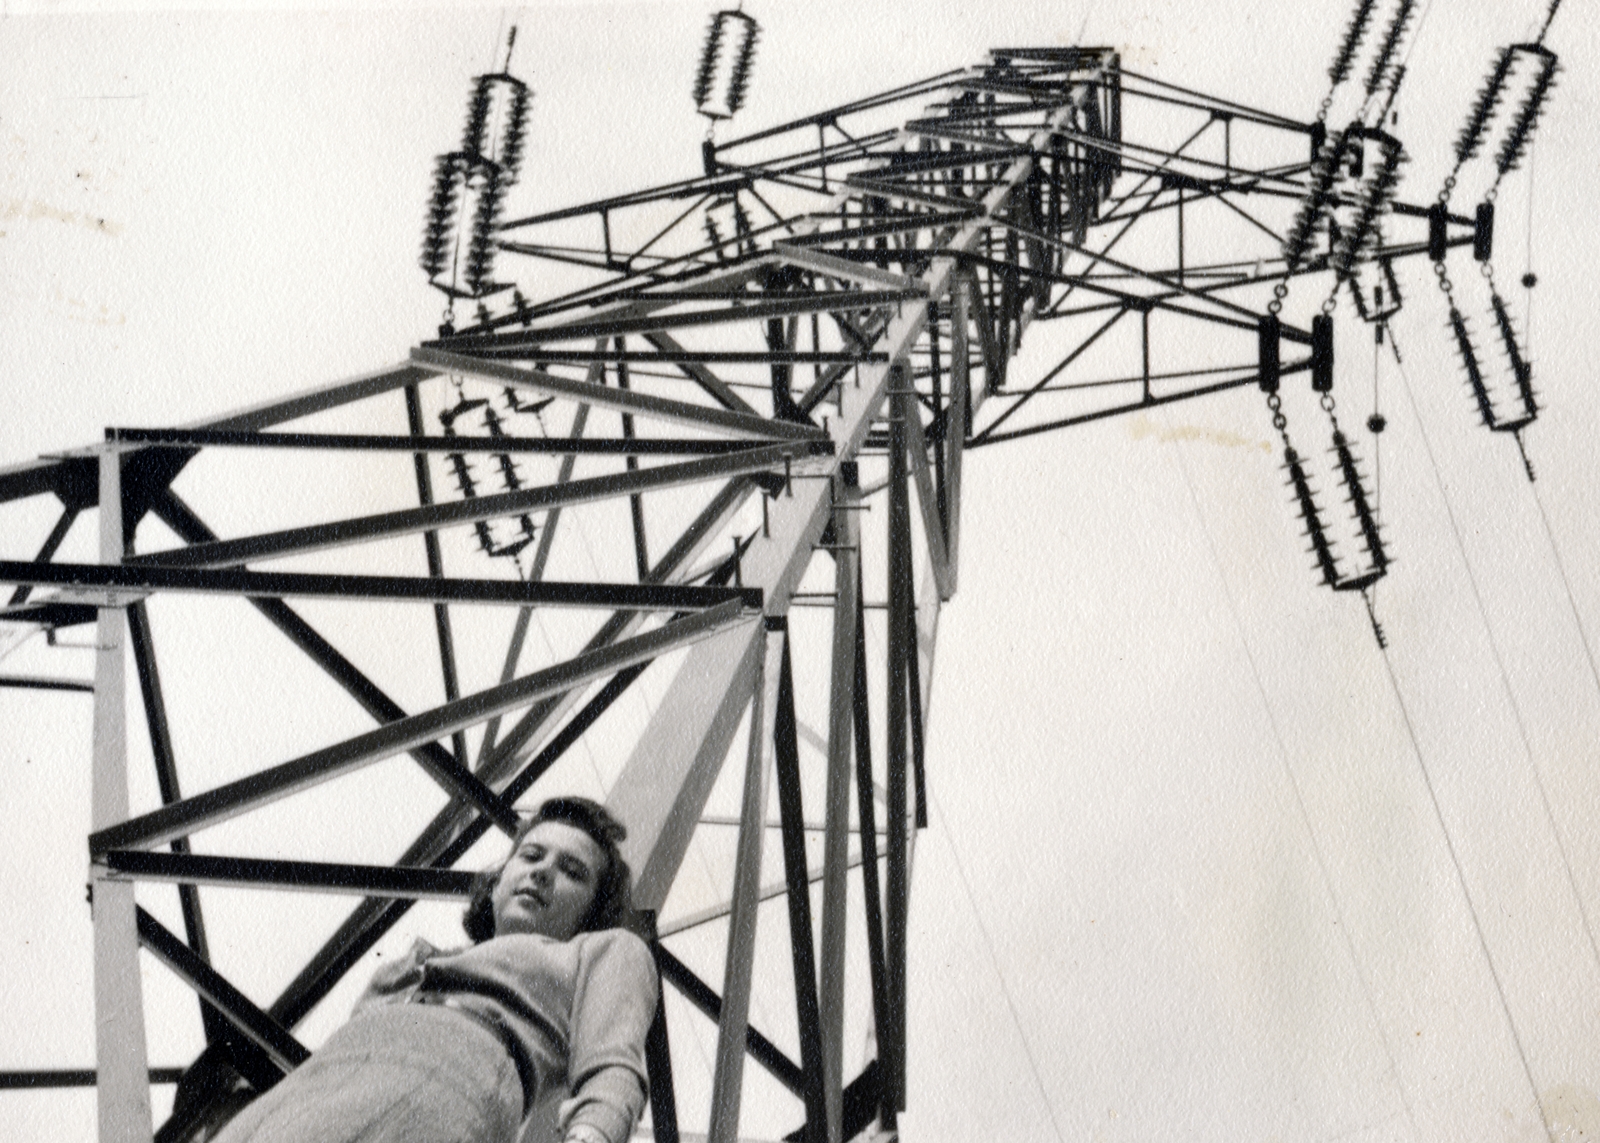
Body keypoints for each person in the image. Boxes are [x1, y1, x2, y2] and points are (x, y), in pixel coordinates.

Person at [211, 797, 659, 1143]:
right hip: (313, 1084)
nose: (542, 872)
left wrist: (591, 1134)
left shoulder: (604, 950)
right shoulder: (415, 966)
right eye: (531, 855)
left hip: (450, 1082)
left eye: (572, 871)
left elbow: (613, 1068)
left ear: (592, 909)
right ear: (500, 877)